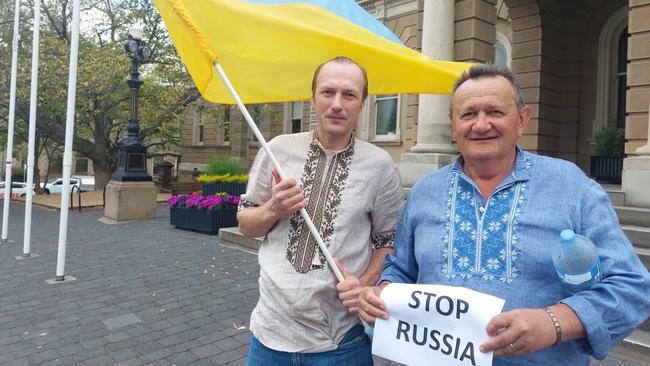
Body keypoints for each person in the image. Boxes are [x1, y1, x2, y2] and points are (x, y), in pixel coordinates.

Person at [358, 63, 650, 365]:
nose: (481, 125)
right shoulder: (425, 191)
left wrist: (553, 322)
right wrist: (382, 292)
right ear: (453, 123)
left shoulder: (572, 187)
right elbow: (401, 269)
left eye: (495, 112)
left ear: (522, 120)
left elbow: (632, 287)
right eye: (468, 114)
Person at [237, 56, 404, 365]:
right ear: (312, 97)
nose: (337, 104)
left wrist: (365, 283)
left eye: (349, 94)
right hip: (269, 337)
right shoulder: (277, 149)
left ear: (362, 103)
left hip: (340, 342)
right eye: (328, 92)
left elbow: (388, 242)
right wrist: (274, 208)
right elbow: (247, 223)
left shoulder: (380, 166)